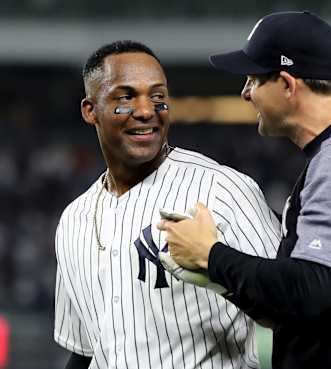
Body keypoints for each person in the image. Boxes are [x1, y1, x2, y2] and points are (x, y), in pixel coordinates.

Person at [159, 11, 331, 369]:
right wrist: (222, 277)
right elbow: (299, 307)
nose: (245, 93)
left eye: (253, 79)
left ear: (289, 85)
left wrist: (211, 256)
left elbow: (309, 290)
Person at [53, 40, 281, 369]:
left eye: (158, 97)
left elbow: (294, 307)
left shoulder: (223, 190)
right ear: (91, 110)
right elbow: (87, 350)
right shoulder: (73, 220)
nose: (146, 110)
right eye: (126, 97)